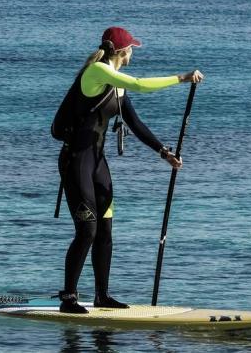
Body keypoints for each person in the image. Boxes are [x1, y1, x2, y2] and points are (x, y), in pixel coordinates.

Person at [57, 26, 203, 313]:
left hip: (97, 163)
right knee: (87, 231)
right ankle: (69, 298)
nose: (133, 51)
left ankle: (102, 296)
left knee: (106, 230)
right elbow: (140, 83)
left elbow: (135, 123)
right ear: (122, 51)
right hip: (76, 162)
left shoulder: (117, 83)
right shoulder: (98, 71)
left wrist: (163, 152)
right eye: (132, 48)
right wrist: (182, 78)